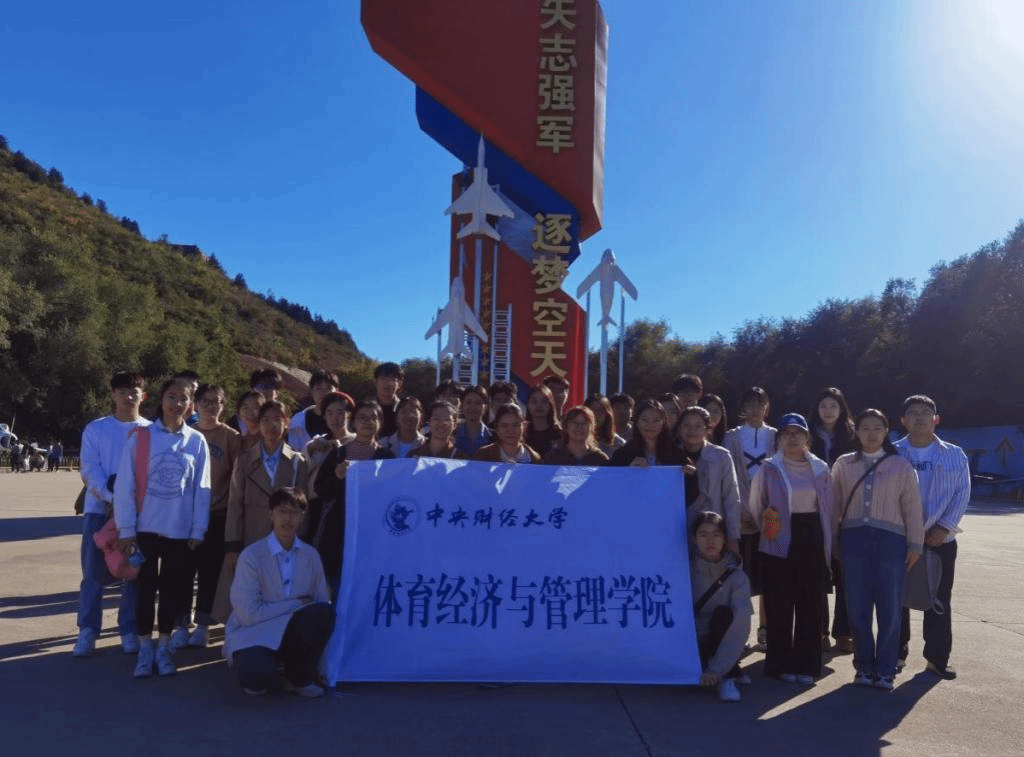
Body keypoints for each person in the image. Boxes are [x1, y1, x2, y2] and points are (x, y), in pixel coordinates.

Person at [114, 379, 211, 678]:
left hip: (179, 531)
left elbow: (202, 488)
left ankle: (164, 646)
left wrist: (198, 530)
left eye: (184, 398)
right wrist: (126, 529)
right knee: (144, 589)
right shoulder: (142, 437)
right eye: (171, 397)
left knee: (172, 589)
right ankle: (145, 647)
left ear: (191, 404)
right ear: (161, 399)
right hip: (144, 529)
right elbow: (125, 485)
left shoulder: (196, 441)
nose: (177, 404)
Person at [832, 409, 923, 690]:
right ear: (856, 432)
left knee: (890, 608)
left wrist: (915, 543)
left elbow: (912, 507)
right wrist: (833, 540)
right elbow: (833, 505)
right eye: (865, 428)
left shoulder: (901, 465)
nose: (871, 434)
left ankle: (885, 669)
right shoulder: (844, 464)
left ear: (886, 432)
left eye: (877, 428)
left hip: (891, 543)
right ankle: (863, 666)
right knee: (857, 607)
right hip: (853, 542)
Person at [748, 413, 834, 684]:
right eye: (787, 433)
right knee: (779, 601)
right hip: (778, 536)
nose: (793, 438)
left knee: (810, 603)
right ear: (779, 439)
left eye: (798, 433)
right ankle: (780, 663)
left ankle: (806, 665)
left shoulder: (820, 468)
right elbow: (756, 503)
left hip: (812, 535)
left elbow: (829, 507)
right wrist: (770, 527)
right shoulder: (769, 468)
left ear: (807, 438)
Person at [224, 487, 334, 698]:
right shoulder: (252, 556)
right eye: (282, 511)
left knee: (323, 612)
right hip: (255, 633)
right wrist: (296, 604)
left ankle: (300, 677)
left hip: (292, 634)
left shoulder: (311, 556)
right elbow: (248, 615)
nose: (288, 518)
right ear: (271, 514)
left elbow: (321, 605)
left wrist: (323, 668)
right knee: (256, 679)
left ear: (302, 516)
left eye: (294, 512)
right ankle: (275, 671)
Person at [73, 371, 149, 658]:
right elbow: (89, 469)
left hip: (138, 516)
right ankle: (88, 630)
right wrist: (112, 498)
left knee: (132, 572)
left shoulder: (150, 431)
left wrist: (128, 505)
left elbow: (148, 474)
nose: (128, 396)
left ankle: (128, 629)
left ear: (143, 396)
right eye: (122, 391)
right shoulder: (96, 428)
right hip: (98, 511)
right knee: (92, 573)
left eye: (134, 391)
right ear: (112, 395)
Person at [896, 395, 970, 680]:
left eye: (926, 412)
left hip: (940, 540)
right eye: (913, 413)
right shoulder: (892, 452)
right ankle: (895, 653)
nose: (920, 417)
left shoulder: (954, 454)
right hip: (899, 538)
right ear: (903, 420)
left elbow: (962, 493)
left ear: (936, 419)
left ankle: (937, 659)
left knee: (938, 600)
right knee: (896, 598)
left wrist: (944, 527)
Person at [172, 384, 241, 650]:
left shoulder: (231, 437)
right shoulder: (184, 434)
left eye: (217, 402)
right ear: (196, 405)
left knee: (209, 573)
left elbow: (236, 479)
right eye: (207, 402)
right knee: (182, 572)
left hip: (217, 514)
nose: (212, 407)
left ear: (224, 405)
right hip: (185, 516)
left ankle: (202, 625)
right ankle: (180, 625)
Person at [311, 400, 396, 594]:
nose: (367, 422)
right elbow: (320, 489)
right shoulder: (338, 454)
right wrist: (337, 476)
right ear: (353, 422)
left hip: (373, 533)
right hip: (338, 533)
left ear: (380, 423)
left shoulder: (387, 457)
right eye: (362, 417)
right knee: (338, 586)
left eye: (373, 417)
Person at [723, 386, 776, 650]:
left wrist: (765, 510)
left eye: (760, 404)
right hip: (738, 515)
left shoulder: (776, 436)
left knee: (769, 575)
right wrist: (743, 509)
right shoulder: (731, 437)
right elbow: (728, 476)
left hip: (770, 515)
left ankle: (765, 629)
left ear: (767, 407)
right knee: (739, 575)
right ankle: (739, 629)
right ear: (743, 408)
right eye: (751, 404)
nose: (756, 409)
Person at [808, 387, 857, 654]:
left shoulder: (852, 435)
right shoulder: (806, 435)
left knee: (844, 574)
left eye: (833, 406)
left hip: (845, 509)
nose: (828, 411)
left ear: (841, 409)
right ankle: (819, 630)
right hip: (813, 509)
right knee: (817, 572)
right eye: (824, 406)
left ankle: (844, 631)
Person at [691, 511, 752, 703]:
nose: (710, 541)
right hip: (691, 642)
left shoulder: (737, 577)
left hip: (719, 638)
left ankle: (728, 678)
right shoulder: (684, 570)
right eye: (703, 534)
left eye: (716, 534)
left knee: (724, 615)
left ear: (725, 539)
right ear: (694, 539)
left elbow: (741, 624)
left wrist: (717, 669)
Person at [672, 406, 742, 556]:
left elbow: (731, 497)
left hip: (713, 529)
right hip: (678, 530)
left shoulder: (721, 456)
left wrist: (732, 536)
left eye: (698, 426)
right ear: (679, 428)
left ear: (707, 429)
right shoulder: (670, 455)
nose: (692, 430)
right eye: (686, 425)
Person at [302, 391, 356, 494]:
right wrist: (311, 449)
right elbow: (302, 470)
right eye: (329, 413)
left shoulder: (356, 441)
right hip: (315, 499)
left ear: (349, 414)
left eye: (340, 413)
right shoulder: (317, 442)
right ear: (324, 416)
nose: (334, 418)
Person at [609, 399, 676, 467]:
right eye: (645, 420)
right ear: (637, 422)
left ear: (663, 423)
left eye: (656, 420)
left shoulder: (675, 452)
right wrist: (629, 469)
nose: (650, 425)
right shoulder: (622, 454)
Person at [287, 370, 338, 451]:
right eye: (318, 388)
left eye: (328, 388)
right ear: (311, 391)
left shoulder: (344, 420)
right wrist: (310, 448)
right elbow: (292, 454)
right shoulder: (298, 421)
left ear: (337, 391)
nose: (323, 393)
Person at [474, 403, 541, 463]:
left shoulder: (534, 458)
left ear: (524, 427)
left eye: (515, 425)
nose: (510, 430)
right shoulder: (483, 456)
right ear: (497, 429)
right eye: (504, 426)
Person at [541, 406, 609, 465]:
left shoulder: (600, 459)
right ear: (566, 426)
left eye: (584, 423)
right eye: (574, 422)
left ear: (592, 428)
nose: (579, 427)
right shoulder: (553, 458)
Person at [454, 385, 493, 456]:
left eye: (478, 403)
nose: (472, 407)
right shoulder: (452, 434)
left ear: (486, 407)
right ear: (462, 406)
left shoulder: (493, 437)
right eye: (468, 402)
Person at [525, 384, 562, 458]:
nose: (539, 405)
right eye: (534, 401)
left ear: (550, 405)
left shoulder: (560, 435)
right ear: (528, 404)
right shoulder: (522, 433)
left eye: (544, 401)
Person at [584, 393, 626, 458]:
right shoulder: (575, 440)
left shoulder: (618, 444)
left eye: (600, 411)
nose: (595, 414)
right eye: (592, 410)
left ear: (607, 414)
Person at [373, 362, 404, 438]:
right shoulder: (364, 409)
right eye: (383, 378)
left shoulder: (404, 409)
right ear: (375, 382)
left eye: (392, 379)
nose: (387, 383)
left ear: (399, 384)